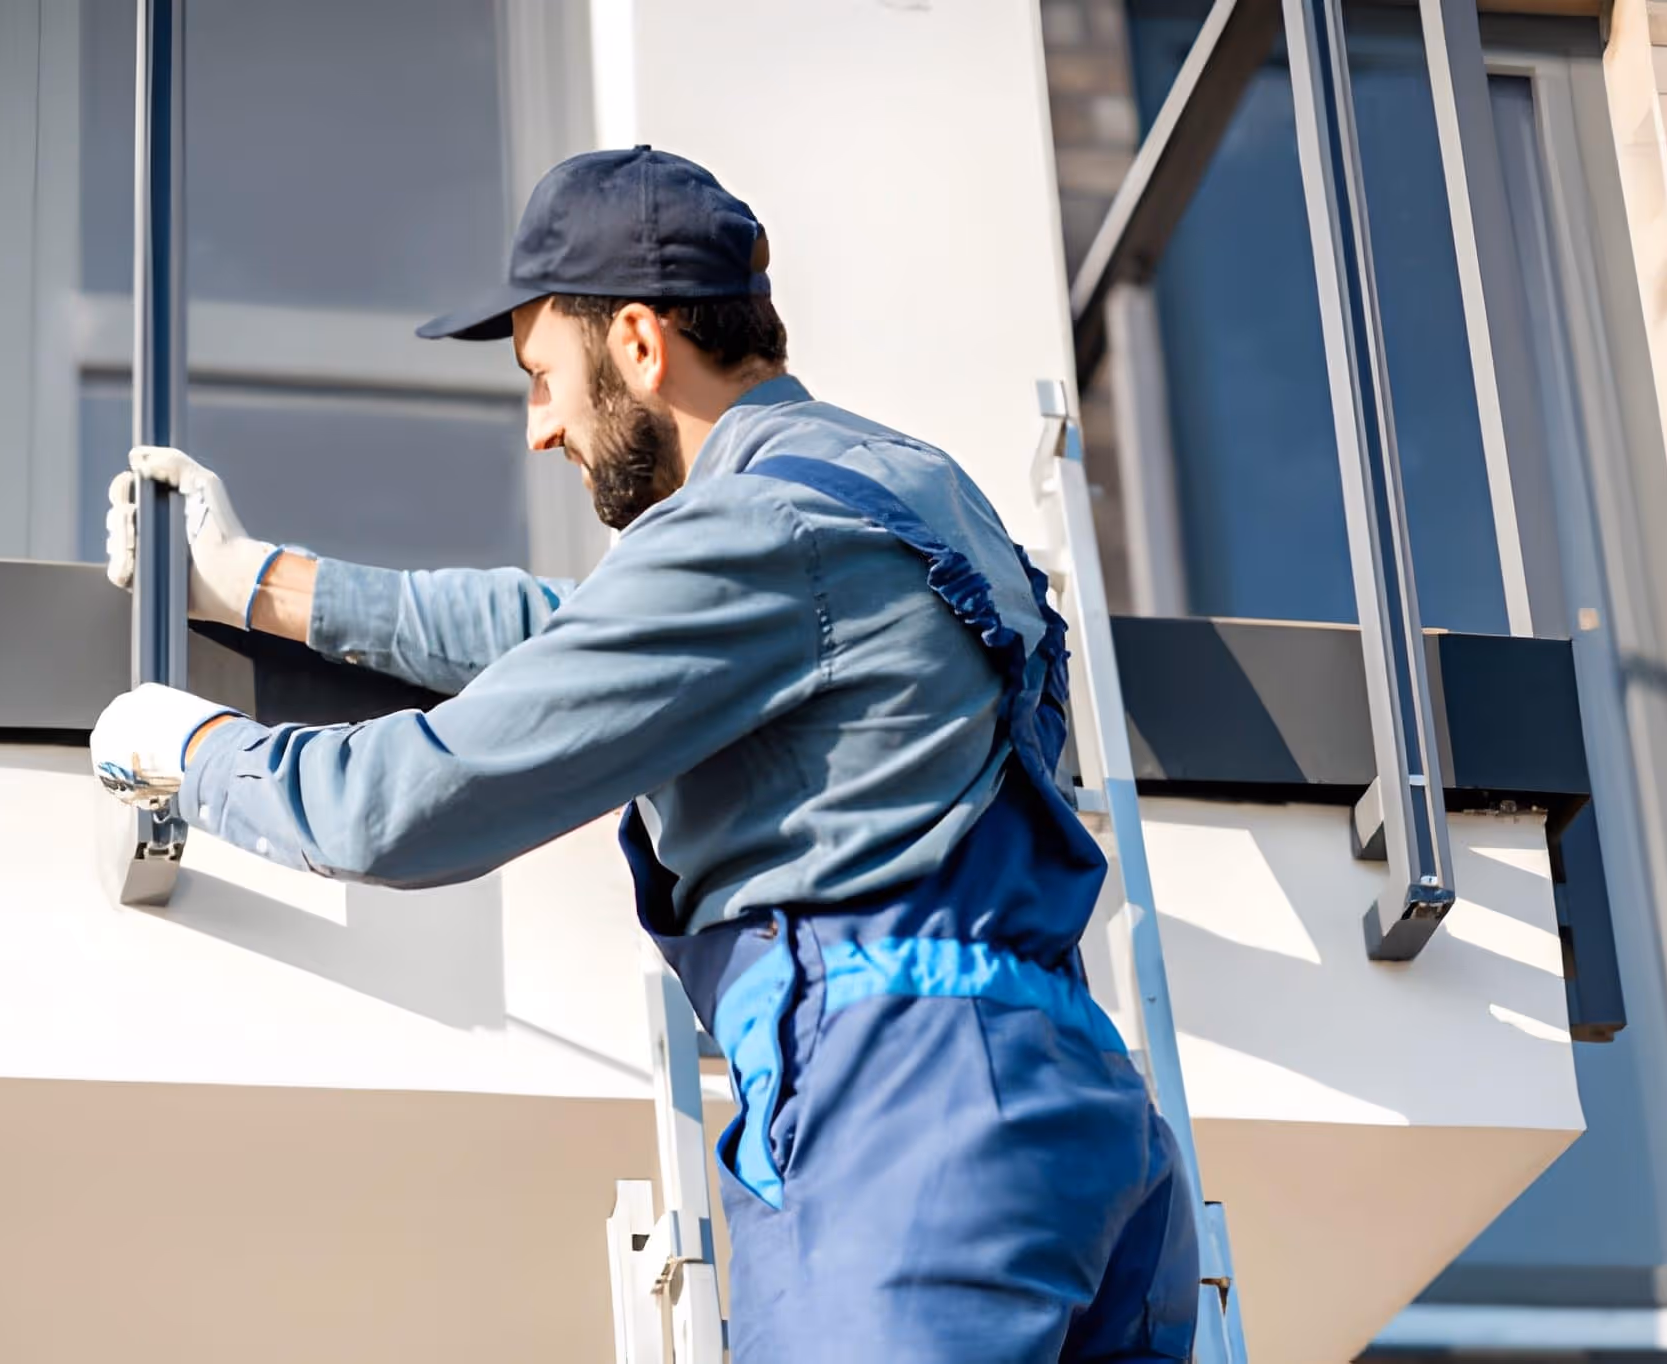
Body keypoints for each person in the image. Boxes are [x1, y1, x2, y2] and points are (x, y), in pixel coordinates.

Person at [91, 146, 1199, 1363]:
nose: (538, 429)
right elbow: (573, 637)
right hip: (1086, 1124)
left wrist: (185, 748)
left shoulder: (759, 524)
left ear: (633, 342)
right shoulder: (896, 487)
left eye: (539, 376)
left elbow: (401, 806)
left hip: (910, 1120)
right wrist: (262, 583)